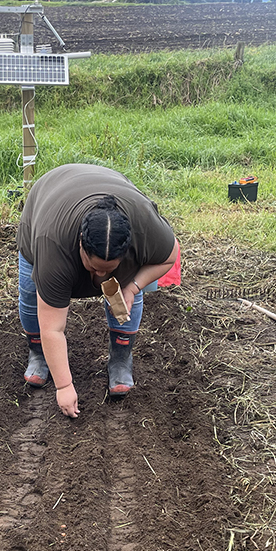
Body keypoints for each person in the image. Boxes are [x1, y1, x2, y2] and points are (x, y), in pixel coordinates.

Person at [16, 163, 180, 418]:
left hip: (113, 193)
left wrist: (133, 286)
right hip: (47, 202)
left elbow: (169, 258)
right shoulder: (52, 247)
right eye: (93, 267)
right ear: (81, 244)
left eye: (109, 269)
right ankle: (37, 354)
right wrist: (65, 386)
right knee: (30, 295)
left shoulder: (145, 226)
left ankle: (120, 358)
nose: (101, 277)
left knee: (125, 292)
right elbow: (53, 327)